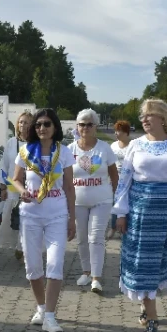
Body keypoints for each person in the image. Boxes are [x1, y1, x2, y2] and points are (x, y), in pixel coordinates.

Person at [114, 99, 167, 332]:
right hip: (140, 212)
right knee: (143, 262)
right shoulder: (135, 145)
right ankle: (152, 316)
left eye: (149, 115)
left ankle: (146, 303)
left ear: (163, 118)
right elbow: (124, 180)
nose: (144, 120)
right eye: (143, 117)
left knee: (161, 263)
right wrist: (121, 212)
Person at [12, 108, 76, 332]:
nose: (42, 128)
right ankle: (40, 308)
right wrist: (22, 191)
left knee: (55, 263)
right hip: (31, 214)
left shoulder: (64, 152)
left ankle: (50, 316)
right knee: (33, 265)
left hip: (57, 215)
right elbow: (16, 179)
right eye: (38, 124)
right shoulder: (25, 152)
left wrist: (72, 219)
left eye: (47, 124)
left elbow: (69, 187)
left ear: (55, 127)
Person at [70, 109, 118, 293]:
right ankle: (86, 271)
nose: (85, 128)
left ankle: (96, 278)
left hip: (102, 201)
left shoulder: (104, 148)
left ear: (95, 126)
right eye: (82, 124)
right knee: (82, 238)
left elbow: (114, 175)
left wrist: (115, 198)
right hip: (77, 202)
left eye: (90, 124)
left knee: (96, 237)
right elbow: (64, 178)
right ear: (77, 126)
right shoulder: (69, 150)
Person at [0, 111, 33, 260]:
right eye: (21, 122)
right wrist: (3, 187)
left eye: (27, 122)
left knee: (28, 218)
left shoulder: (36, 144)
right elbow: (4, 165)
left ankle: (22, 247)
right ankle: (17, 244)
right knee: (12, 217)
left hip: (30, 188)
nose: (23, 125)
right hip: (13, 187)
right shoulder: (12, 142)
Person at [108, 120, 132, 239]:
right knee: (115, 202)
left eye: (120, 131)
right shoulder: (113, 145)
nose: (117, 133)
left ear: (126, 132)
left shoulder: (132, 145)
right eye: (116, 131)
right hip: (116, 177)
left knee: (128, 203)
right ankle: (113, 228)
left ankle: (126, 227)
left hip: (129, 178)